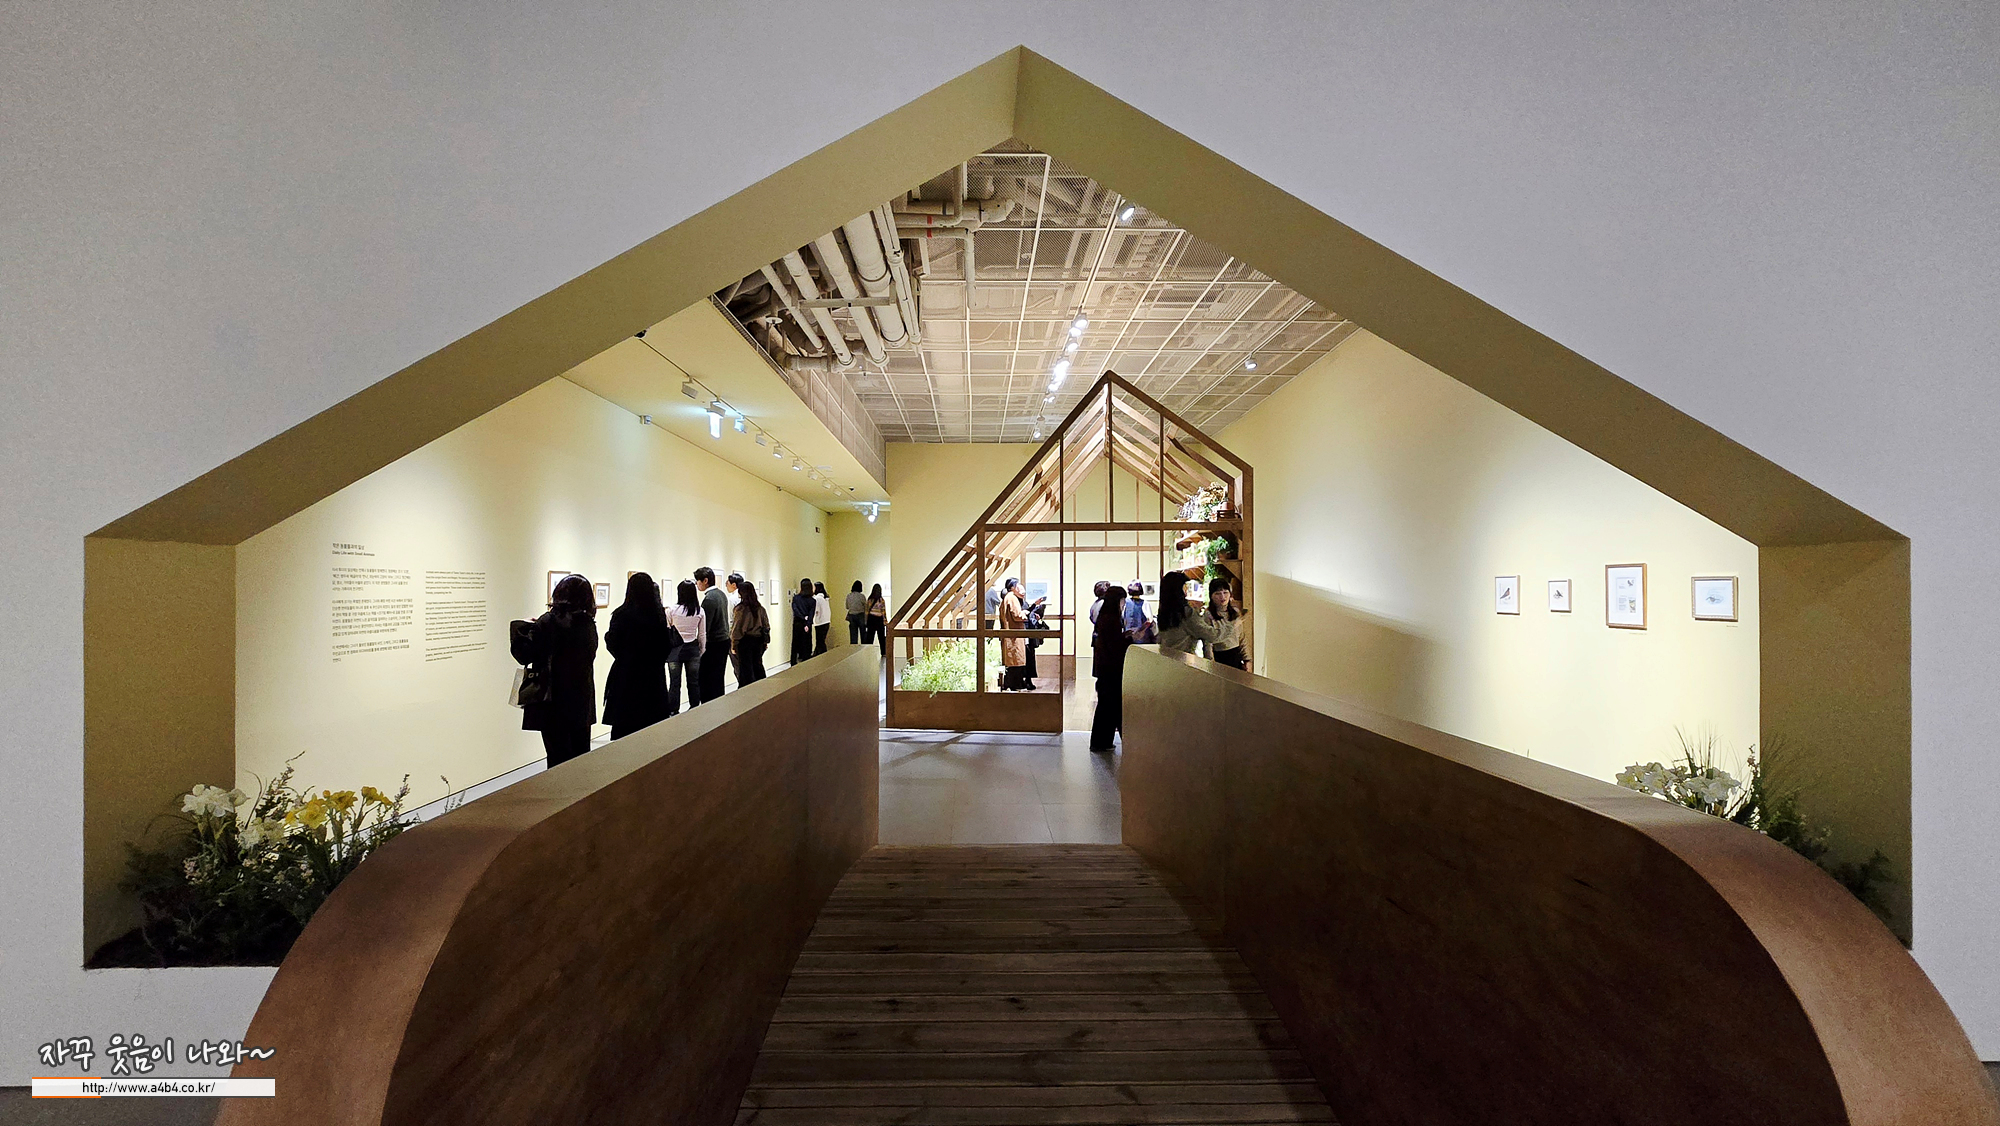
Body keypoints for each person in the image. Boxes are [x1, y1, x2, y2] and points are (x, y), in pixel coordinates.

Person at [514, 573, 600, 767]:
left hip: (552, 700)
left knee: (557, 758)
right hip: (580, 700)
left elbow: (524, 654)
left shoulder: (547, 622)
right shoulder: (587, 623)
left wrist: (522, 628)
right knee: (580, 757)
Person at [603, 572, 674, 740]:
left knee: (624, 734)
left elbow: (614, 644)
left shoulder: (621, 615)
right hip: (653, 679)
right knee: (651, 734)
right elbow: (666, 646)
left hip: (626, 678)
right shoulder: (658, 616)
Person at [1090, 585, 1134, 753]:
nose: (1123, 604)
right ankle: (1105, 742)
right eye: (1123, 601)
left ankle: (1101, 742)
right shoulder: (1111, 619)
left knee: (1106, 707)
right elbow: (1115, 646)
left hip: (1105, 669)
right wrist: (1129, 639)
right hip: (1112, 669)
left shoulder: (1104, 616)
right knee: (1112, 706)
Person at [1155, 571, 1220, 656]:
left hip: (1165, 658)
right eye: (1184, 586)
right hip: (1183, 659)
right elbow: (1210, 635)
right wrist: (1229, 625)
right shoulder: (1186, 613)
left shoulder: (1164, 611)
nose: (1187, 590)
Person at [665, 579, 707, 710]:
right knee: (693, 681)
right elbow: (702, 634)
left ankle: (673, 710)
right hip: (692, 648)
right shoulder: (699, 611)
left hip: (675, 649)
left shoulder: (671, 610)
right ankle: (694, 707)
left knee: (674, 682)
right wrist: (702, 649)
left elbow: (668, 631)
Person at [695, 567, 731, 701]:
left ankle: (709, 705)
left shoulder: (709, 599)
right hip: (723, 640)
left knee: (707, 679)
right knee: (718, 677)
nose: (697, 584)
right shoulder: (721, 594)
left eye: (698, 581)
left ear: (705, 581)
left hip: (714, 643)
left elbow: (706, 626)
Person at [733, 579, 772, 684]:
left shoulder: (741, 610)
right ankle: (761, 687)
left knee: (746, 670)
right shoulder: (760, 608)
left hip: (745, 642)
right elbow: (766, 625)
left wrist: (734, 644)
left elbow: (737, 629)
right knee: (758, 666)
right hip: (759, 641)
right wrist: (765, 641)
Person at [1205, 577, 1246, 669]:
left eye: (1225, 592)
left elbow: (1242, 638)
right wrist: (1210, 663)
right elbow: (1208, 643)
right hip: (1219, 657)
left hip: (1236, 656)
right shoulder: (1208, 615)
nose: (1222, 597)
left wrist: (1247, 659)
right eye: (1218, 593)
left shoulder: (1235, 612)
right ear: (1211, 596)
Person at [998, 578, 1030, 690]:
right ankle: (1015, 685)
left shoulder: (1007, 598)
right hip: (1014, 635)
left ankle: (1012, 684)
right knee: (1015, 661)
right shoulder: (1012, 598)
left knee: (1012, 661)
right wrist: (1024, 613)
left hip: (1010, 634)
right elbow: (1017, 615)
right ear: (1012, 587)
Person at [790, 579, 816, 667]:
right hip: (807, 625)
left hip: (797, 622)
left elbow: (795, 610)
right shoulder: (812, 600)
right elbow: (811, 614)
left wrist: (802, 617)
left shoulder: (796, 598)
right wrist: (807, 623)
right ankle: (806, 663)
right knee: (807, 645)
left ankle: (793, 662)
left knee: (795, 643)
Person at [865, 583, 888, 654]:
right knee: (881, 637)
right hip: (879, 619)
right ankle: (883, 652)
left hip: (871, 619)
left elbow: (867, 611)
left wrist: (866, 621)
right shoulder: (881, 600)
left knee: (870, 637)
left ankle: (868, 652)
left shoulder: (870, 600)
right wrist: (885, 621)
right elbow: (883, 612)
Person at [844, 580, 868, 644]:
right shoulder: (862, 596)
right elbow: (866, 607)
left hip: (851, 616)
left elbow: (847, 607)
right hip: (861, 616)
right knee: (863, 635)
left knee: (853, 637)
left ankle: (854, 649)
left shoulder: (849, 596)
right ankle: (864, 649)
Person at [812, 581, 832, 655]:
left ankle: (822, 655)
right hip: (826, 621)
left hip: (820, 622)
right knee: (821, 641)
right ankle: (819, 654)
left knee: (820, 641)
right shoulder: (825, 598)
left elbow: (816, 610)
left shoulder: (817, 598)